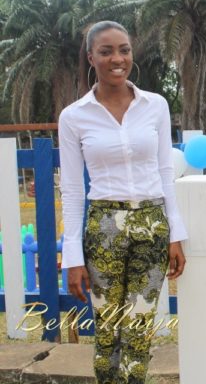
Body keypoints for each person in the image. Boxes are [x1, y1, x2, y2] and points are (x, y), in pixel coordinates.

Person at [59, 21, 187, 384]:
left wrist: (175, 234)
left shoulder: (155, 106)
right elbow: (71, 188)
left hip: (152, 225)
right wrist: (73, 257)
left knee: (139, 329)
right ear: (91, 58)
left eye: (124, 50)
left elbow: (165, 171)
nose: (117, 58)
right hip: (104, 230)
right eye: (106, 51)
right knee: (107, 333)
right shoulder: (73, 117)